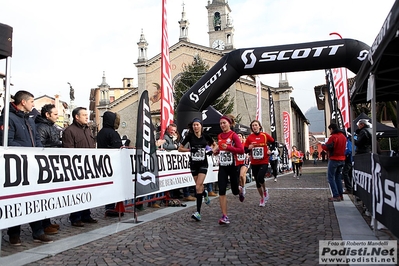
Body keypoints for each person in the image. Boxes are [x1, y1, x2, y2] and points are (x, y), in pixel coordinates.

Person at [0, 90, 54, 245]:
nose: (33, 104)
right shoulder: (8, 118)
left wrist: (37, 151)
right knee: (16, 200)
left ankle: (38, 232)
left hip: (31, 164)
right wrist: (27, 151)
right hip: (15, 167)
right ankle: (14, 234)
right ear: (23, 102)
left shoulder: (30, 119)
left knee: (34, 198)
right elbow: (7, 141)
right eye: (31, 101)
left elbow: (36, 138)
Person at [63, 107, 97, 226]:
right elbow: (69, 150)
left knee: (87, 191)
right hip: (77, 167)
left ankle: (86, 215)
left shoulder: (87, 130)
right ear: (76, 117)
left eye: (87, 114)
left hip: (89, 166)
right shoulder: (69, 131)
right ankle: (75, 217)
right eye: (84, 115)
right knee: (76, 193)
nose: (87, 117)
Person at [178, 118, 217, 221]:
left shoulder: (205, 136)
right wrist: (189, 150)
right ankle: (204, 193)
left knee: (198, 186)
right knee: (198, 187)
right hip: (193, 163)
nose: (195, 127)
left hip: (203, 163)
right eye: (194, 125)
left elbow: (215, 145)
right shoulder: (189, 136)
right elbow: (180, 149)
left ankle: (198, 212)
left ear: (201, 126)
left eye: (197, 125)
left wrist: (211, 151)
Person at [35, 103, 63, 234]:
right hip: (44, 166)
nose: (57, 117)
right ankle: (43, 225)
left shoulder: (52, 127)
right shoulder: (41, 127)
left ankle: (46, 222)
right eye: (55, 114)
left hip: (51, 165)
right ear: (47, 115)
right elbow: (41, 146)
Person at [215, 115, 244, 224]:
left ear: (229, 123)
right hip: (222, 166)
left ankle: (240, 190)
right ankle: (225, 216)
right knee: (221, 190)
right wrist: (217, 151)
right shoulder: (219, 136)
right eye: (221, 123)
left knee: (234, 191)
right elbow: (221, 148)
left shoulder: (233, 135)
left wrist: (228, 148)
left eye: (224, 123)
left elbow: (241, 150)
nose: (222, 125)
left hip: (233, 166)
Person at [96, 111, 124, 217]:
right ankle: (111, 208)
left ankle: (109, 207)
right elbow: (118, 147)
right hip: (113, 163)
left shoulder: (101, 132)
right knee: (113, 186)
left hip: (104, 163)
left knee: (108, 186)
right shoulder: (112, 133)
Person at [244, 120, 274, 207]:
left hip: (263, 160)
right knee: (257, 182)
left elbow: (273, 142)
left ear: (259, 126)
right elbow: (245, 149)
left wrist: (270, 150)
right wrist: (249, 148)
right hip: (254, 162)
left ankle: (265, 190)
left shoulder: (264, 135)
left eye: (256, 125)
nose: (254, 127)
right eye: (253, 126)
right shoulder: (249, 137)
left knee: (260, 177)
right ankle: (262, 198)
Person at [322, 123, 347, 202]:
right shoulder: (343, 137)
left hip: (334, 158)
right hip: (342, 158)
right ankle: (340, 194)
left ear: (332, 129)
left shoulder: (333, 137)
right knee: (338, 177)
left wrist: (323, 145)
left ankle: (336, 195)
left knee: (331, 178)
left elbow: (328, 147)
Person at [342, 128, 353, 194]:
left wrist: (343, 153)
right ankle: (350, 187)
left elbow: (349, 150)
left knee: (345, 173)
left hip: (349, 159)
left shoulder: (349, 139)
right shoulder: (351, 138)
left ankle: (349, 188)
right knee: (349, 173)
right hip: (351, 159)